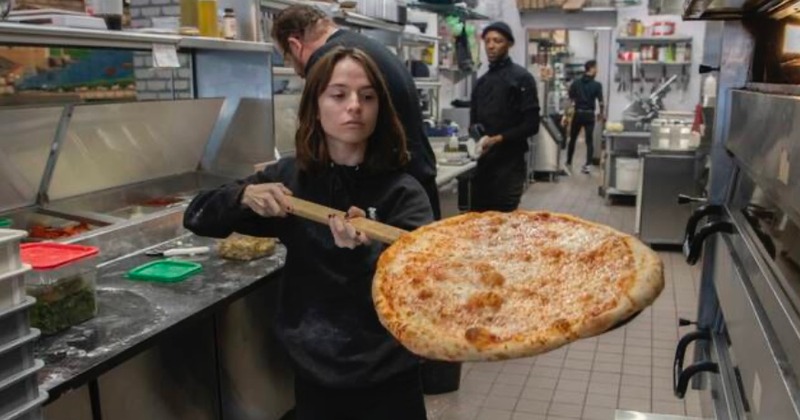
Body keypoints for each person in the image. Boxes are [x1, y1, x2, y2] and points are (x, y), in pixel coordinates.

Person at [184, 47, 432, 420]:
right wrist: (242, 197)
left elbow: (426, 282)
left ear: (380, 108)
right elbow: (198, 216)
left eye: (367, 96)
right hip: (315, 374)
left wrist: (361, 255)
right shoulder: (290, 181)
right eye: (338, 94)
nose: (355, 106)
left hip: (389, 377)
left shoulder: (402, 191)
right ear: (315, 105)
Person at [271, 5, 441, 220]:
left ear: (295, 45)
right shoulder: (364, 45)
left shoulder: (331, 59)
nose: (353, 106)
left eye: (287, 58)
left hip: (391, 194)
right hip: (415, 177)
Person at [469, 21, 540, 212]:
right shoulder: (481, 82)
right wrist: (477, 140)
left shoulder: (522, 78)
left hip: (509, 167)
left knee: (504, 225)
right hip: (483, 167)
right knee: (478, 224)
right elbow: (473, 121)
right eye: (488, 41)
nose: (491, 45)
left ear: (509, 44)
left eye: (497, 41)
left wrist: (498, 139)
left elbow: (532, 124)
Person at [566, 59, 605, 174]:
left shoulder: (576, 83)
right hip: (589, 115)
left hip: (578, 114)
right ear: (591, 69)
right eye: (596, 68)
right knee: (589, 141)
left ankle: (568, 162)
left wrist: (566, 116)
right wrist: (601, 114)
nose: (597, 70)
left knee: (572, 139)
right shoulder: (597, 85)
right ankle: (587, 165)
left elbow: (570, 100)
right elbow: (601, 102)